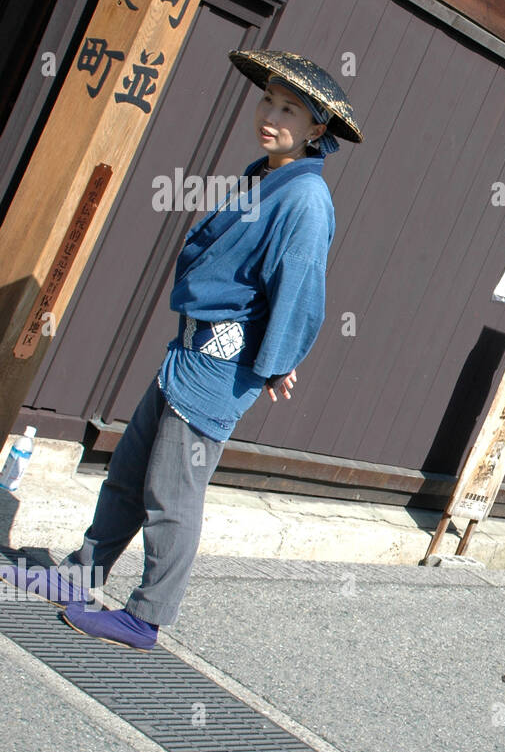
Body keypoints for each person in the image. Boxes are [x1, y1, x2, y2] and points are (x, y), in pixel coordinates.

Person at [0, 50, 362, 650]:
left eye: (290, 109)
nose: (270, 114)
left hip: (221, 365)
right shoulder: (265, 174)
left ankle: (146, 616)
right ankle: (80, 574)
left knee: (172, 493)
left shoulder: (304, 199)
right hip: (188, 354)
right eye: (268, 100)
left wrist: (277, 363)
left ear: (318, 128)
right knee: (128, 471)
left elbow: (299, 286)